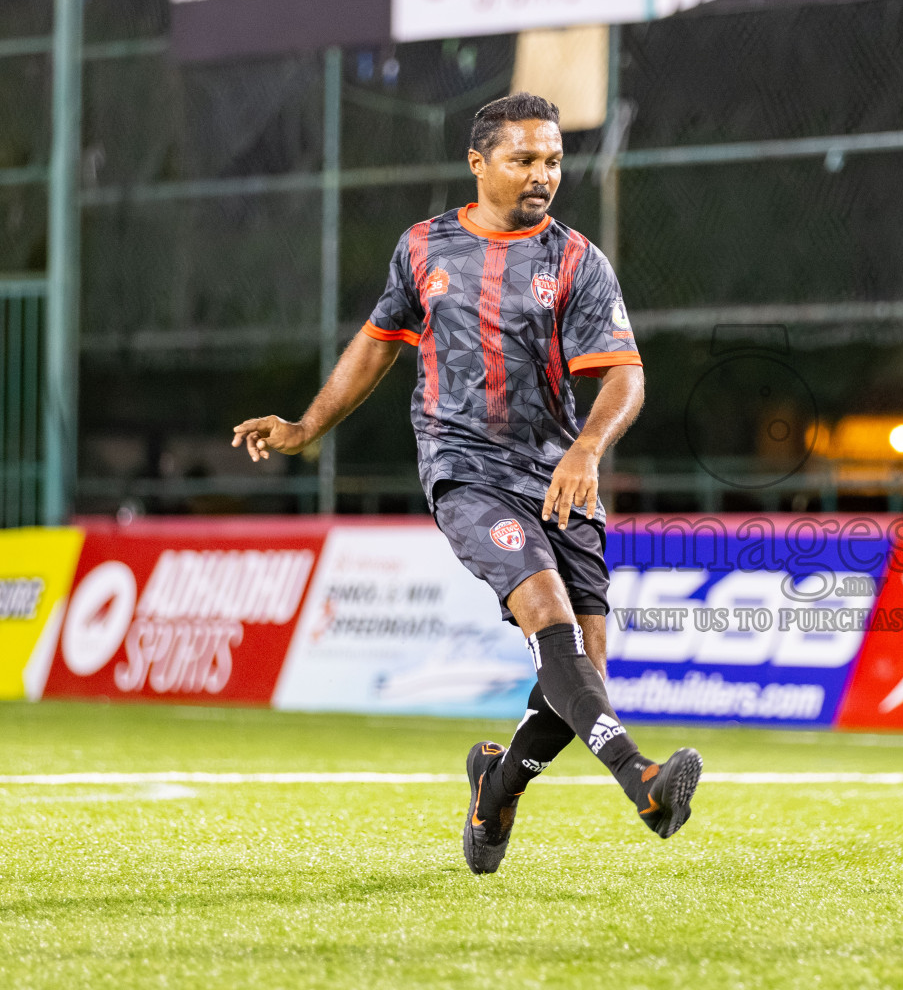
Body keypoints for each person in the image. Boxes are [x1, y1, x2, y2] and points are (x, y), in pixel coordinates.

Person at [231, 94, 702, 874]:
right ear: (479, 163)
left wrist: (587, 450)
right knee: (547, 614)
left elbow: (626, 374)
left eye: (553, 160)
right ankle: (641, 779)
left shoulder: (577, 261)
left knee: (580, 675)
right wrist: (307, 426)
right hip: (465, 470)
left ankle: (496, 785)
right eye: (525, 160)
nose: (543, 175)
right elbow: (377, 342)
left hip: (561, 476)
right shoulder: (424, 247)